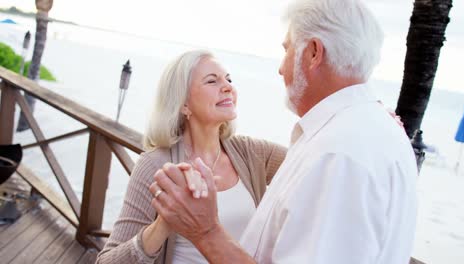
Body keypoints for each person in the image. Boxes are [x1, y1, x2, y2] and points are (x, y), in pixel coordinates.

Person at [150, 0, 418, 263]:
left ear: (313, 53)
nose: (280, 68)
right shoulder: (364, 132)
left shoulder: (338, 155)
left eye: (287, 49)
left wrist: (206, 232)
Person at [96, 50, 287, 263]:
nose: (228, 87)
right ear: (184, 104)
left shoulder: (252, 152)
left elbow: (310, 164)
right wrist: (165, 222)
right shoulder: (155, 165)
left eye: (229, 79)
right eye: (212, 81)